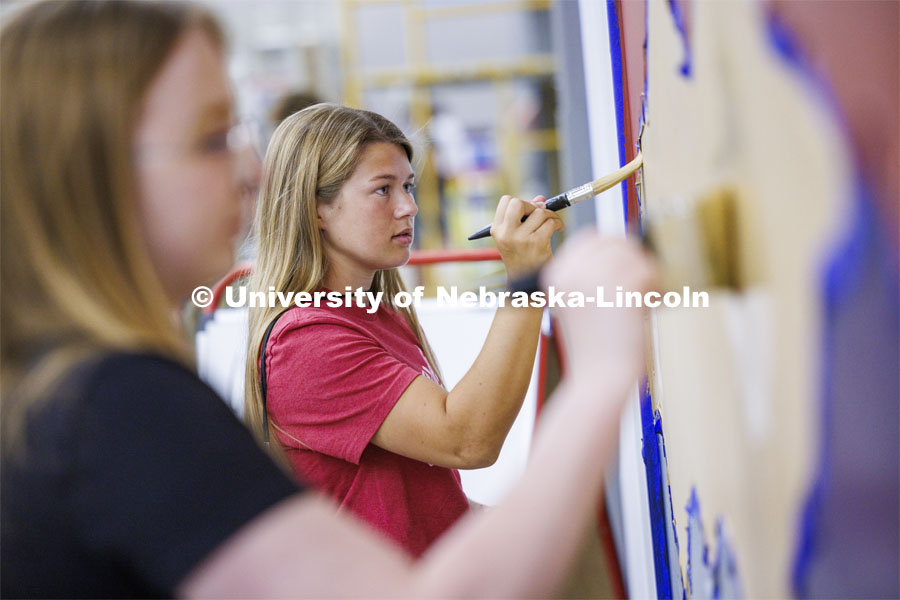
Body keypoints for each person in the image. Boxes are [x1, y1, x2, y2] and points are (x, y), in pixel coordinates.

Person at [0, 1, 655, 597]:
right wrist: (596, 367)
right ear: (95, 173)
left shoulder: (82, 390)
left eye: (409, 186)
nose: (252, 172)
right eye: (210, 139)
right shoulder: (124, 401)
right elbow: (467, 442)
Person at [245, 103, 564, 556]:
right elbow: (468, 440)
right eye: (383, 190)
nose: (409, 207)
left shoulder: (377, 313)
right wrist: (526, 286)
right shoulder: (306, 343)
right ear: (317, 208)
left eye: (409, 186)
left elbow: (411, 499)